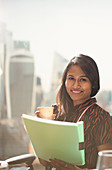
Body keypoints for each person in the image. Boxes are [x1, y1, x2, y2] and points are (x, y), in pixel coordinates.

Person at [36, 54, 112, 170]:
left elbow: (108, 166)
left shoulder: (101, 118)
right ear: (65, 81)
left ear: (93, 84)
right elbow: (45, 162)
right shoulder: (56, 113)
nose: (76, 85)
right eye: (71, 78)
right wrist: (40, 130)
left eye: (83, 80)